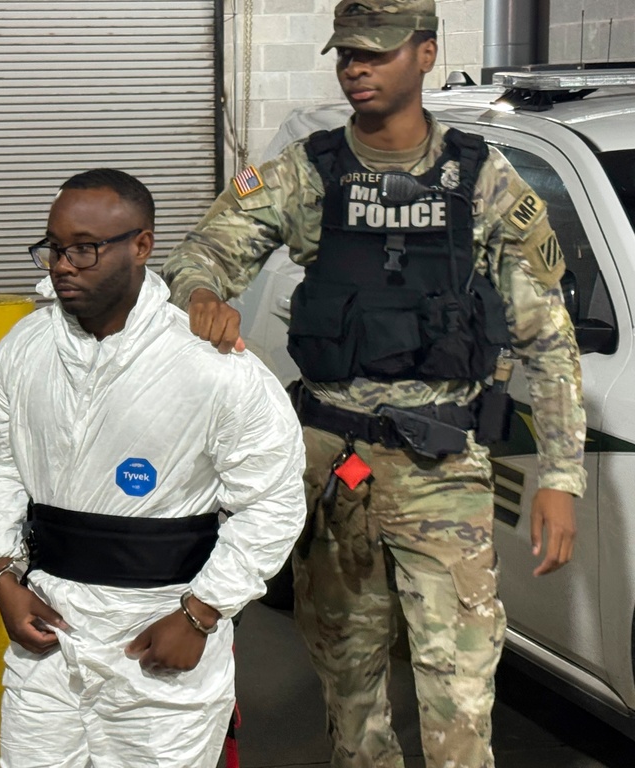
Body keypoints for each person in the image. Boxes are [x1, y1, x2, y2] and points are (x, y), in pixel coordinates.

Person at [160, 2, 587, 767]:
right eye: (346, 54)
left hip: (445, 472)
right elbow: (204, 251)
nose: (356, 68)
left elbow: (546, 335)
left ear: (426, 54)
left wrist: (560, 474)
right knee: (351, 697)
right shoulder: (306, 173)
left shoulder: (485, 179)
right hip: (332, 472)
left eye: (377, 53)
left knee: (460, 695)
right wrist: (200, 294)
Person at [0, 168, 307, 767]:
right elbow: (1, 473)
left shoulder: (212, 366)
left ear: (143, 246)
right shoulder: (21, 353)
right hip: (47, 646)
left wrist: (201, 614)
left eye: (84, 248)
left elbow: (274, 501)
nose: (62, 264)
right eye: (53, 247)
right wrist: (1, 575)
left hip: (161, 644)